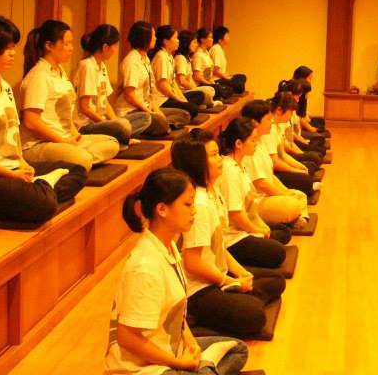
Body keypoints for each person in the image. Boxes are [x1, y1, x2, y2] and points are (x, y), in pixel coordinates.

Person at [105, 167, 248, 375]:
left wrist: (191, 345)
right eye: (187, 204)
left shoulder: (170, 247)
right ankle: (203, 368)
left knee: (238, 349)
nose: (194, 211)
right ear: (162, 209)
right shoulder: (145, 267)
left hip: (171, 352)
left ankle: (203, 367)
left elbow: (177, 314)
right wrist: (178, 363)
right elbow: (127, 338)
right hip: (141, 369)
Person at [0, 14, 86, 224]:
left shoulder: (3, 86)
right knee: (43, 204)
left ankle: (36, 189)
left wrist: (22, 164)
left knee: (77, 171)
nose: (13, 53)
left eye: (13, 47)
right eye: (7, 48)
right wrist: (10, 174)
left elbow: (12, 139)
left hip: (10, 168)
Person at [170, 132, 285, 338]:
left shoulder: (212, 192)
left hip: (217, 274)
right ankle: (198, 313)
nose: (220, 159)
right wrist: (227, 281)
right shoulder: (199, 204)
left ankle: (236, 300)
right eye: (214, 155)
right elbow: (193, 263)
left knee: (276, 280)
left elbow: (220, 246)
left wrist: (241, 274)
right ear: (196, 162)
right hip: (197, 289)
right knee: (254, 316)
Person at [20, 20, 119, 170]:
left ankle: (75, 160)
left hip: (65, 138)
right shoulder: (39, 76)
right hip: (40, 143)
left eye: (71, 44)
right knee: (83, 159)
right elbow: (31, 122)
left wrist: (75, 136)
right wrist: (63, 141)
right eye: (66, 44)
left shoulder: (60, 71)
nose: (71, 48)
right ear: (49, 46)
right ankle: (78, 160)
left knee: (112, 143)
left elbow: (66, 115)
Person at [220, 112, 310, 230]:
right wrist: (259, 230)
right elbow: (260, 185)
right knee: (292, 204)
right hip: (256, 203)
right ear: (238, 143)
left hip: (255, 206)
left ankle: (296, 218)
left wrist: (286, 192)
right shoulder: (231, 167)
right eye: (268, 119)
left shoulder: (242, 159)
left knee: (299, 195)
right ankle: (292, 217)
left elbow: (270, 175)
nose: (271, 122)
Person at [74, 24, 152, 144]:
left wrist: (115, 121)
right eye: (115, 46)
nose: (115, 50)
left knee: (145, 118)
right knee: (123, 126)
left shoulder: (102, 66)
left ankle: (118, 137)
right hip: (86, 125)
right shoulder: (87, 66)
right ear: (105, 47)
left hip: (101, 122)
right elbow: (85, 108)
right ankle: (120, 138)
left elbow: (105, 104)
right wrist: (108, 123)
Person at [114, 22, 190, 136]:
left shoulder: (145, 59)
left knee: (184, 114)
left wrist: (157, 111)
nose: (155, 38)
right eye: (153, 35)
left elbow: (149, 94)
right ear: (145, 38)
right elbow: (129, 95)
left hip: (146, 108)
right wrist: (149, 111)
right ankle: (158, 126)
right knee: (157, 121)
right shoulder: (131, 61)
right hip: (131, 111)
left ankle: (161, 126)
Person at [252, 92, 321, 198]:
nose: (291, 115)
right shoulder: (268, 132)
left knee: (310, 164)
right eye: (268, 119)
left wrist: (299, 165)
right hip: (275, 171)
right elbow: (275, 163)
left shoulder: (275, 127)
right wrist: (296, 170)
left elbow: (283, 154)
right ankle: (309, 185)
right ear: (279, 110)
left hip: (273, 171)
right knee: (306, 177)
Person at [150, 25, 206, 120]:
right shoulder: (161, 57)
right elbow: (162, 85)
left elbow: (173, 83)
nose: (178, 41)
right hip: (161, 99)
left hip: (169, 96)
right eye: (175, 38)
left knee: (199, 95)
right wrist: (178, 99)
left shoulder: (169, 56)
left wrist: (182, 99)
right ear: (165, 41)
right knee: (192, 109)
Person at [174, 30, 217, 108]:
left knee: (210, 90)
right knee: (204, 93)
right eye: (194, 42)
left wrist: (197, 89)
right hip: (183, 91)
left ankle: (204, 103)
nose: (196, 44)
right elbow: (182, 81)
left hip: (189, 90)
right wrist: (196, 89)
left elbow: (190, 79)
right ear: (186, 43)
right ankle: (209, 103)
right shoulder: (180, 58)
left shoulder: (187, 58)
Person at [193, 28, 233, 101]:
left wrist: (212, 82)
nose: (212, 39)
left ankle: (218, 97)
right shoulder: (198, 55)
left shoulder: (206, 53)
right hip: (203, 83)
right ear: (202, 40)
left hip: (210, 81)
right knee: (221, 89)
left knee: (229, 89)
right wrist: (209, 83)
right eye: (210, 37)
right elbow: (197, 76)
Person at [210, 26, 246, 95]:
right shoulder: (216, 49)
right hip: (217, 79)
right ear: (220, 40)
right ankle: (231, 90)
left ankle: (232, 90)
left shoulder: (220, 49)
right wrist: (226, 77)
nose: (229, 38)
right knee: (239, 86)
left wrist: (227, 75)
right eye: (227, 36)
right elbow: (215, 70)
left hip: (222, 77)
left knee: (242, 76)